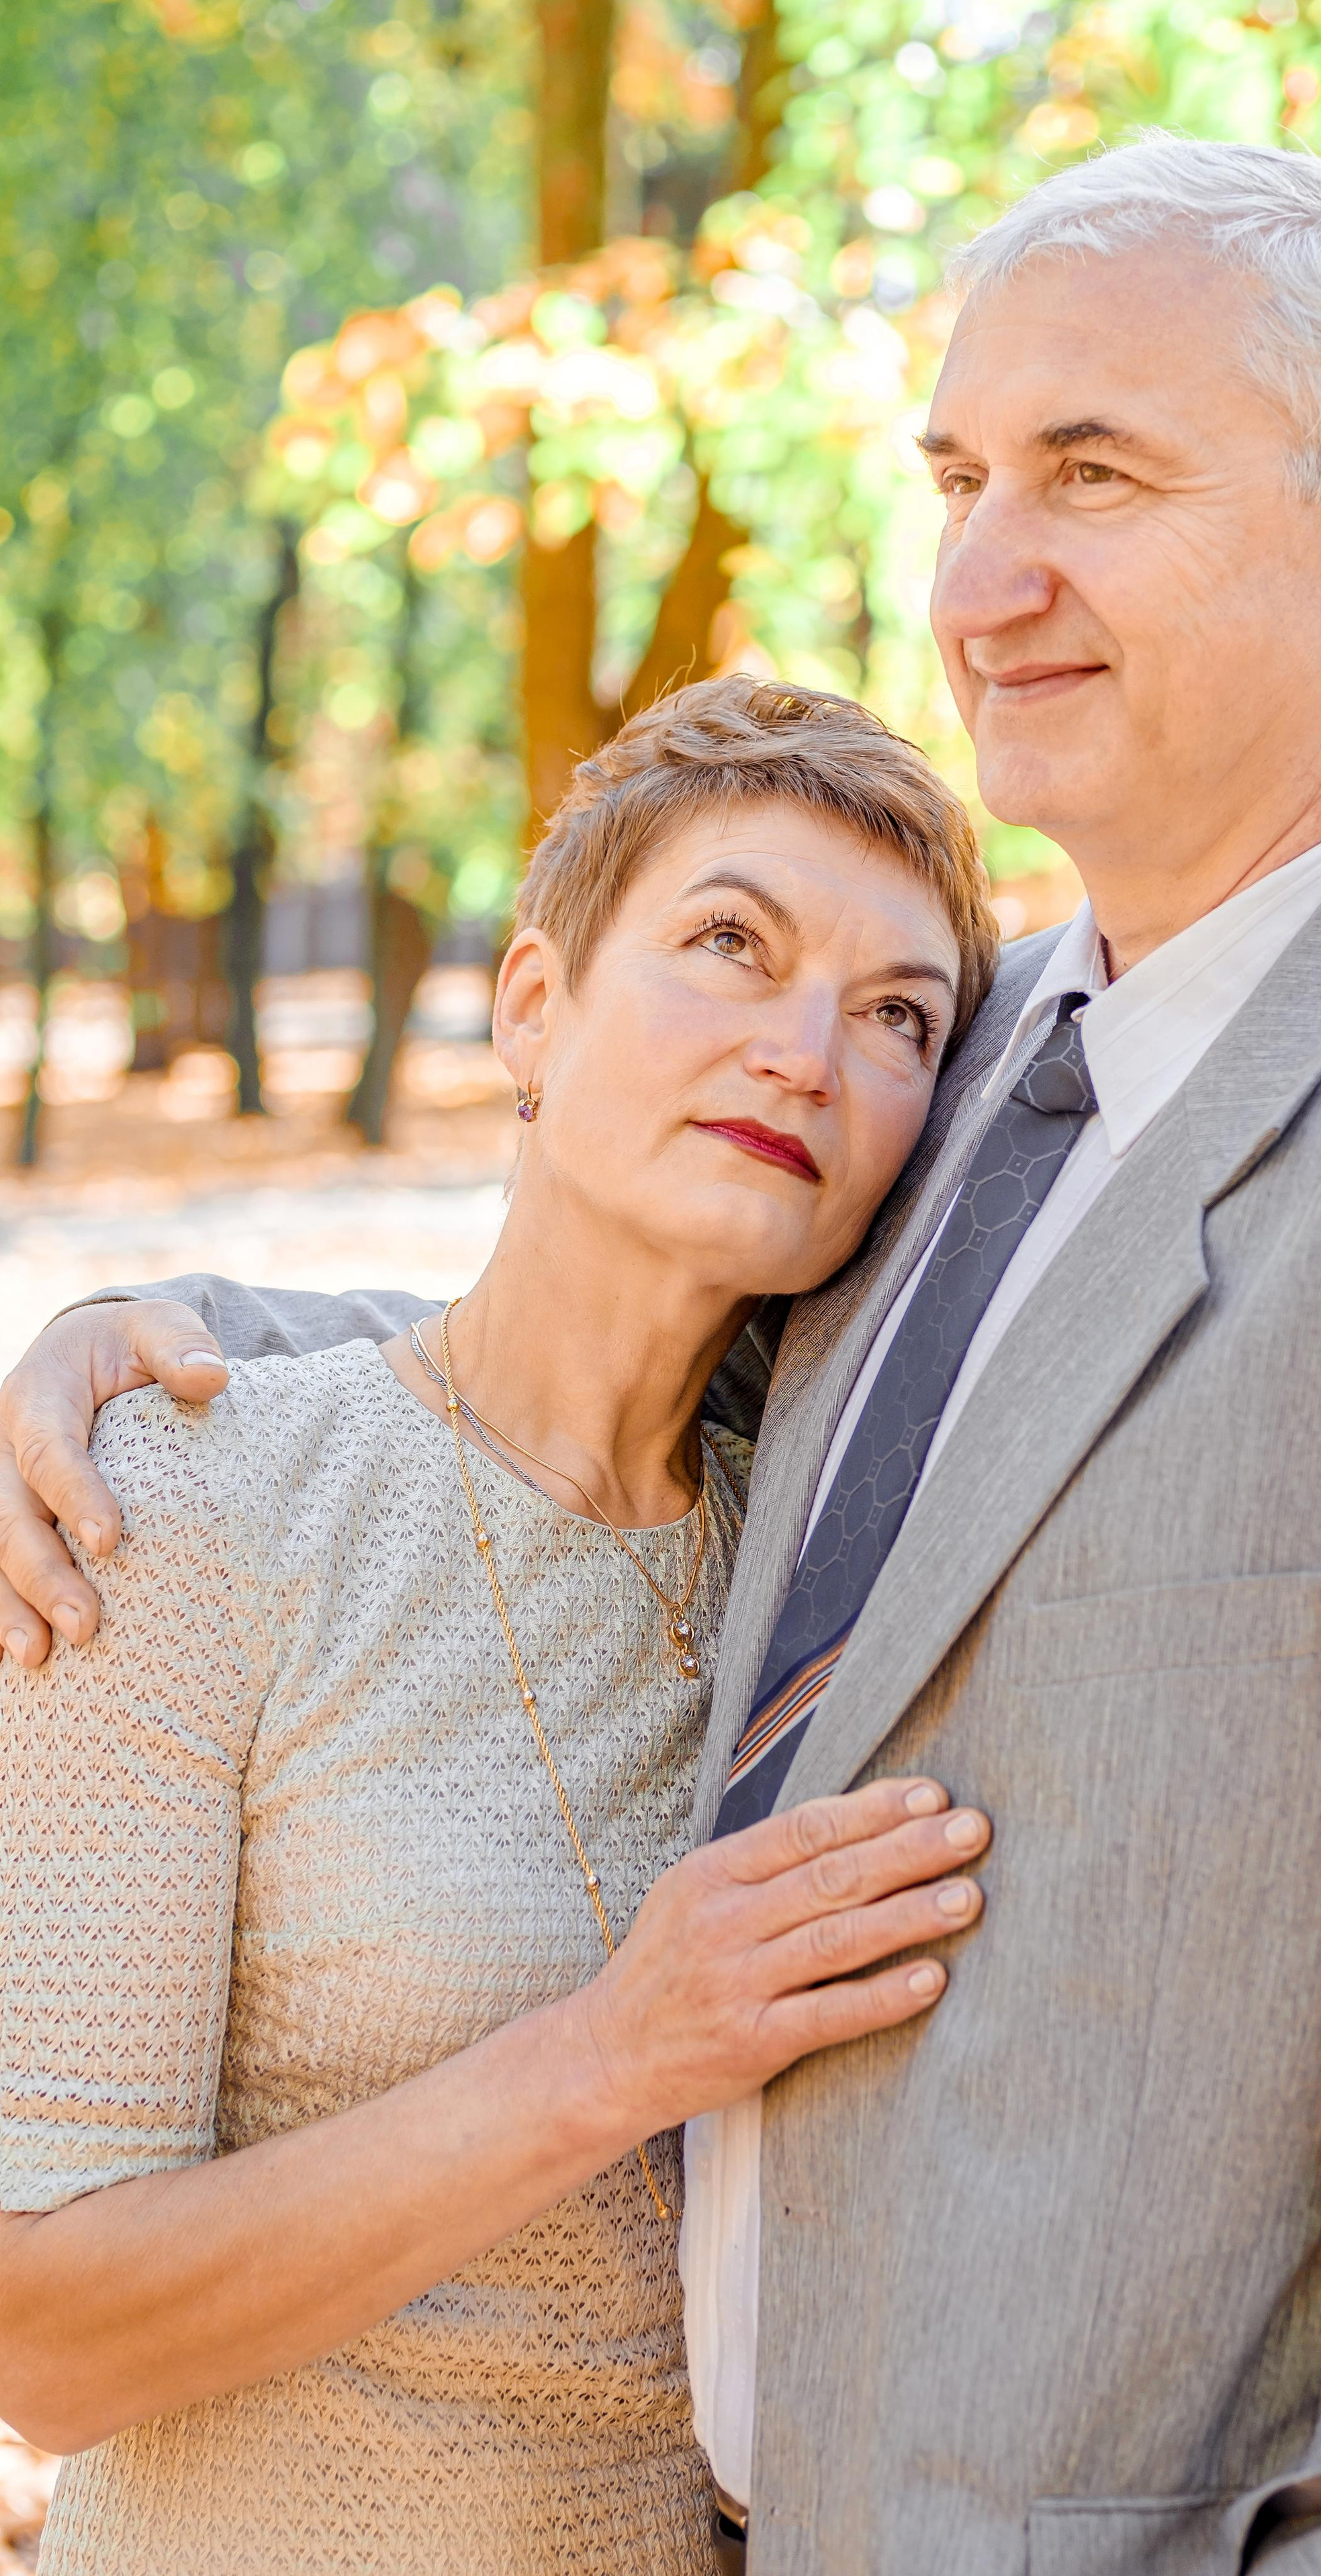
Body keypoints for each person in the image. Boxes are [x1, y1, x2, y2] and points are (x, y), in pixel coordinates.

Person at [7, 129, 1321, 2570]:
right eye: (962, 478)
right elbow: (621, 1341)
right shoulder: (970, 1070)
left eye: (1095, 476)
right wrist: (157, 1341)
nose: (984, 582)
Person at [0, 681, 1007, 2575]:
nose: (807, 1052)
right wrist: (614, 2053)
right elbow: (43, 2344)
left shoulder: (869, 1570)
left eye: (898, 1018)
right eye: (731, 943)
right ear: (530, 1006)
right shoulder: (185, 1507)